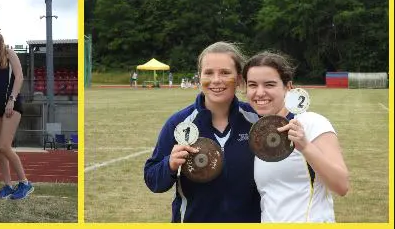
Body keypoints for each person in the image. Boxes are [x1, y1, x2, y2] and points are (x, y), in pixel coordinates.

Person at [144, 41, 260, 223]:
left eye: (225, 72)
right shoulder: (179, 123)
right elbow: (153, 179)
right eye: (208, 73)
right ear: (199, 78)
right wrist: (170, 164)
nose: (216, 80)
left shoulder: (256, 120)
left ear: (239, 78)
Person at [244, 51, 348, 222]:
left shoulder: (312, 122)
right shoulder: (258, 133)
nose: (260, 92)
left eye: (269, 84)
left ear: (288, 87)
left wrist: (306, 147)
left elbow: (341, 185)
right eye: (253, 85)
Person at [0, 26, 33, 200]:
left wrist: (11, 99)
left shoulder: (9, 53)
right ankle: (8, 185)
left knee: (5, 145)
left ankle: (25, 183)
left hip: (11, 106)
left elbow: (19, 77)